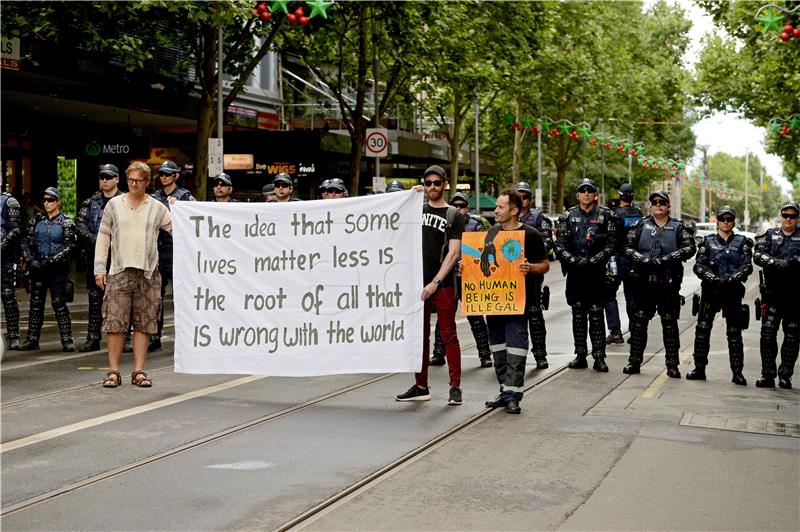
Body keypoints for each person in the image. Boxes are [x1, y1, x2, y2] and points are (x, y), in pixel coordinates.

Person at [94, 162, 171, 388]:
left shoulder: (158, 207)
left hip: (147, 272)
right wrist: (99, 268)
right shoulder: (114, 205)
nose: (134, 184)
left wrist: (182, 209)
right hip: (119, 270)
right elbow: (104, 236)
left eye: (138, 181)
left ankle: (138, 370)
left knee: (144, 323)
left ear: (147, 182)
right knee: (115, 322)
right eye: (130, 180)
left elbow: (178, 228)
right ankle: (113, 371)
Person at [395, 165, 465, 405]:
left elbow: (454, 252)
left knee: (448, 335)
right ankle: (420, 384)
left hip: (443, 285)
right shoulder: (416, 209)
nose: (432, 187)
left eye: (437, 182)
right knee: (419, 336)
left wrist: (436, 281)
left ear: (445, 184)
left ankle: (455, 387)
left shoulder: (454, 214)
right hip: (416, 284)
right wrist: (409, 195)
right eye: (428, 183)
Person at [482, 189, 549, 414]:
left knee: (516, 349)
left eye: (500, 207)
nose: (495, 211)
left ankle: (513, 394)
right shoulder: (490, 232)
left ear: (514, 211)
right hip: (494, 302)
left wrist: (530, 268)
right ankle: (504, 390)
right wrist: (468, 268)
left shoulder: (530, 235)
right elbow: (483, 262)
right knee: (498, 349)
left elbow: (545, 265)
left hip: (519, 303)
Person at [622, 191, 695, 377]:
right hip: (643, 282)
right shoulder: (640, 225)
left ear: (668, 206)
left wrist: (668, 258)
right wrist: (643, 259)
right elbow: (627, 248)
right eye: (654, 202)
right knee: (639, 324)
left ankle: (672, 364)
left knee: (669, 324)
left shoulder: (678, 227)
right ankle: (634, 362)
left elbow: (689, 248)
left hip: (667, 283)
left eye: (662, 202)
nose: (658, 205)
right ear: (650, 206)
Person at [554, 178, 617, 372]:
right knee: (578, 314)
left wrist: (595, 260)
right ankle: (580, 354)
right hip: (575, 274)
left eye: (590, 190)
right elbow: (559, 245)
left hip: (597, 273)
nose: (586, 194)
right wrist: (574, 261)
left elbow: (613, 244)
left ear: (595, 194)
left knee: (597, 315)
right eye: (583, 190)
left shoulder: (606, 216)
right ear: (578, 194)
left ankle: (599, 356)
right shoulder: (567, 216)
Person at [689, 206, 753, 385]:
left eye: (729, 219)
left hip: (732, 292)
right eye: (722, 219)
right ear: (717, 220)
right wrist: (714, 279)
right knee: (702, 330)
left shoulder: (742, 242)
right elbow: (699, 266)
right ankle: (699, 368)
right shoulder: (708, 242)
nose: (726, 222)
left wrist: (732, 279)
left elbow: (747, 266)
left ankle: (737, 372)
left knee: (734, 332)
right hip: (711, 291)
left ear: (734, 221)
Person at [431, 192, 492, 368]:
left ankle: (484, 354)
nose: (458, 208)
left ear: (467, 208)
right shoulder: (444, 223)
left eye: (462, 205)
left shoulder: (476, 225)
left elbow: (485, 249)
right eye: (455, 205)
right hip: (448, 277)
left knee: (476, 317)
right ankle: (438, 353)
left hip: (470, 278)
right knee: (444, 315)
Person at [20, 187, 76, 351]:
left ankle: (67, 340)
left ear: (58, 202)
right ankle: (32, 339)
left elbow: (70, 246)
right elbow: (25, 241)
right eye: (44, 200)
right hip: (38, 269)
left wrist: (53, 260)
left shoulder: (66, 222)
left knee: (59, 304)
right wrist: (30, 260)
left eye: (50, 200)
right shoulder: (36, 221)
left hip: (57, 270)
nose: (46, 203)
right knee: (36, 305)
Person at [75, 164, 123, 352]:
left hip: (119, 255)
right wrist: (97, 240)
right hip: (96, 255)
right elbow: (80, 224)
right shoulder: (91, 201)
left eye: (108, 177)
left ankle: (125, 337)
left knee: (120, 299)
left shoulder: (125, 201)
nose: (104, 180)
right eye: (102, 177)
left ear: (117, 179)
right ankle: (93, 338)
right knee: (95, 298)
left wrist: (111, 241)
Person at [753, 201, 800, 389]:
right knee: (767, 334)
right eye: (785, 215)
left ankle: (785, 375)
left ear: (798, 218)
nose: (788, 219)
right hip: (772, 294)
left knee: (792, 337)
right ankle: (768, 374)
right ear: (780, 216)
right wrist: (778, 263)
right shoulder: (769, 235)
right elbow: (758, 255)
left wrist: (793, 264)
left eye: (792, 216)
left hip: (795, 296)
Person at [149, 161, 195, 352]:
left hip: (178, 252)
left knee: (183, 296)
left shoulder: (186, 198)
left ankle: (186, 336)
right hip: (157, 252)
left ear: (176, 176)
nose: (164, 177)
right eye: (161, 174)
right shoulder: (153, 197)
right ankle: (154, 335)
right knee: (156, 297)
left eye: (168, 174)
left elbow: (193, 222)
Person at [517, 181, 553, 369]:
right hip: (512, 275)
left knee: (534, 314)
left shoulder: (538, 218)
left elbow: (546, 242)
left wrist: (531, 257)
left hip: (532, 273)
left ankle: (540, 354)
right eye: (519, 196)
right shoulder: (506, 218)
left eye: (525, 196)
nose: (522, 199)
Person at [605, 183, 643, 344]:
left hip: (616, 259)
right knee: (632, 296)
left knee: (608, 294)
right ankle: (635, 330)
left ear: (619, 196)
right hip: (634, 260)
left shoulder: (613, 214)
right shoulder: (639, 214)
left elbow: (609, 237)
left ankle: (615, 331)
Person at [1, 178, 22, 350]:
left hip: (4, 257)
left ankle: (13, 334)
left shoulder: (9, 201)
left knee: (7, 295)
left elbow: (15, 229)